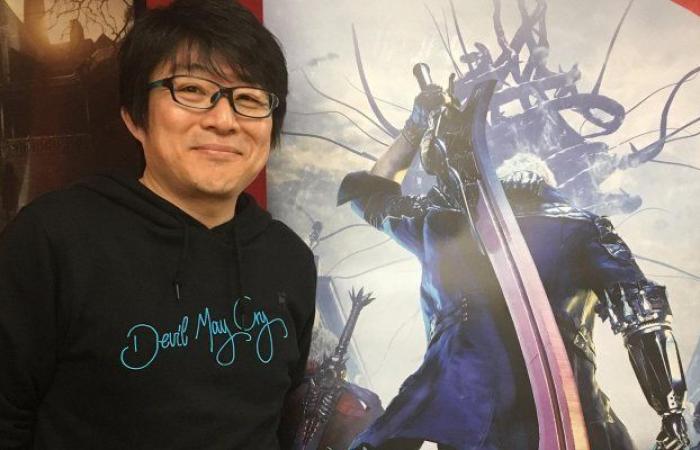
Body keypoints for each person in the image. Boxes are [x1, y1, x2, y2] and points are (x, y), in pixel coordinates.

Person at [0, 1, 316, 449]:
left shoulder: (290, 260)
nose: (223, 120)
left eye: (249, 99)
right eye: (191, 89)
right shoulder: (53, 240)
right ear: (135, 116)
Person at [337, 85, 689, 449]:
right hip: (579, 421)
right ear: (548, 184)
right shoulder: (585, 228)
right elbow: (643, 318)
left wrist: (415, 127)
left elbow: (370, 194)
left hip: (464, 420)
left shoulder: (438, 221)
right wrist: (671, 412)